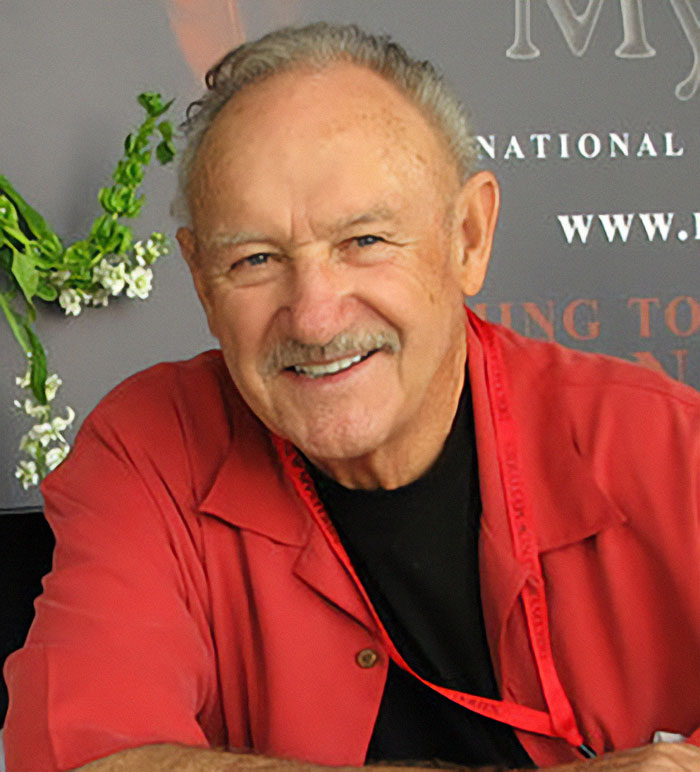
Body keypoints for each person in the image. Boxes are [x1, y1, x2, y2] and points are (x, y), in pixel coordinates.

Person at [4, 21, 700, 772]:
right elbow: (80, 758)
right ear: (203, 281)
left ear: (468, 236)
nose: (314, 315)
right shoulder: (149, 448)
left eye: (363, 242)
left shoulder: (667, 446)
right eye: (256, 259)